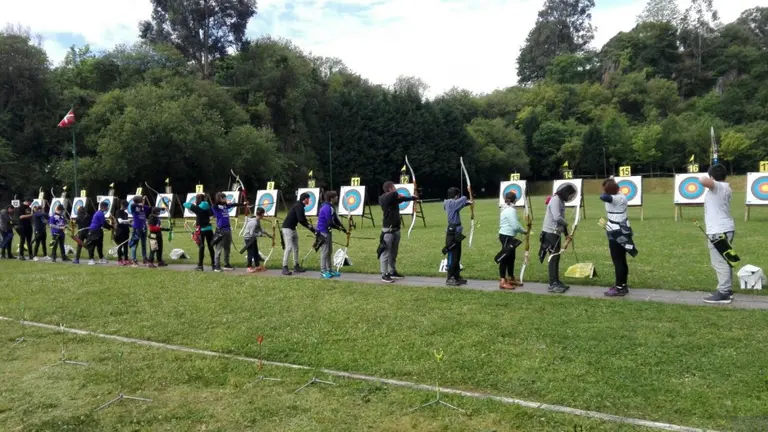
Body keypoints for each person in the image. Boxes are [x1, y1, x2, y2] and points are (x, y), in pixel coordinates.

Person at [700, 165, 736, 304]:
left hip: (718, 231)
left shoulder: (718, 187)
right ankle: (727, 290)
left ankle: (724, 292)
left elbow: (703, 181)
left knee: (720, 261)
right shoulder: (725, 187)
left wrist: (707, 177)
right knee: (725, 259)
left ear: (712, 177)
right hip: (724, 228)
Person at [600, 178, 638, 297]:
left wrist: (608, 189)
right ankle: (622, 285)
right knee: (621, 259)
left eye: (605, 189)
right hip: (619, 229)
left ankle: (619, 287)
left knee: (618, 260)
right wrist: (611, 183)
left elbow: (603, 197)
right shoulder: (620, 195)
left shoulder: (616, 198)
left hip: (617, 232)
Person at [539, 183, 576, 293]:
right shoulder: (556, 200)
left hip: (555, 234)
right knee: (553, 258)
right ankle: (552, 284)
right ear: (565, 193)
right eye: (570, 195)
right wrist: (566, 223)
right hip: (550, 233)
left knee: (556, 258)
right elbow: (557, 217)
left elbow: (561, 220)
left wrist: (566, 234)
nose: (570, 197)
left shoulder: (561, 201)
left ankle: (556, 281)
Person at [378, 181, 418, 283]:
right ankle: (384, 274)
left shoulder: (393, 199)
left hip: (396, 229)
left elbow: (402, 199)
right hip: (388, 230)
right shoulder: (384, 198)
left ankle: (392, 271)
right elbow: (394, 195)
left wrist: (412, 198)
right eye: (394, 187)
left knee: (393, 253)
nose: (396, 189)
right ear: (390, 189)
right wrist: (397, 194)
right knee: (386, 253)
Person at [443, 187, 472, 286]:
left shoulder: (452, 204)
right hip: (453, 233)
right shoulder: (450, 203)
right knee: (452, 255)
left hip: (457, 232)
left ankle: (456, 276)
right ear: (456, 196)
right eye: (458, 196)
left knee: (457, 255)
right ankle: (450, 277)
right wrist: (467, 193)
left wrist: (468, 203)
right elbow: (462, 200)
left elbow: (460, 205)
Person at [281, 193, 316, 275]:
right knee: (289, 247)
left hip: (292, 228)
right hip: (287, 228)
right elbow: (301, 220)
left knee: (296, 248)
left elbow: (303, 219)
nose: (309, 200)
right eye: (308, 199)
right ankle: (284, 267)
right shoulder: (298, 206)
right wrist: (311, 228)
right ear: (305, 199)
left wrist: (312, 228)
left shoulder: (300, 206)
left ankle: (296, 266)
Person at [497, 191, 526, 290]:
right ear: (515, 200)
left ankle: (511, 278)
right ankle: (502, 281)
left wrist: (522, 230)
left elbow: (515, 223)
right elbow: (515, 225)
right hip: (506, 236)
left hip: (508, 236)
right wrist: (524, 231)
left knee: (511, 257)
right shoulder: (510, 210)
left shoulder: (506, 208)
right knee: (505, 258)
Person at [316, 191, 346, 279]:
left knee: (329, 251)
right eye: (336, 197)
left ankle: (329, 270)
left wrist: (343, 228)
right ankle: (323, 271)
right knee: (324, 252)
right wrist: (338, 228)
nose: (337, 198)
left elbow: (335, 219)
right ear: (331, 198)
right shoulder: (326, 207)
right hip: (322, 232)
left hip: (327, 231)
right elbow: (329, 222)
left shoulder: (331, 207)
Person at [183, 194, 215, 271]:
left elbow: (185, 204)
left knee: (201, 247)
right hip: (209, 229)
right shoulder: (208, 207)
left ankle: (200, 266)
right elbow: (212, 213)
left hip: (201, 230)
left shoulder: (197, 208)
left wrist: (194, 204)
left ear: (198, 200)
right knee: (211, 247)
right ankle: (214, 265)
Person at [211, 192, 237, 272]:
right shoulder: (216, 207)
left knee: (227, 248)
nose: (226, 199)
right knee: (218, 249)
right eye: (224, 198)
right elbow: (214, 205)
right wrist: (223, 202)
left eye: (225, 198)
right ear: (220, 199)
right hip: (221, 230)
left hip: (228, 229)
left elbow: (234, 205)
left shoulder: (225, 206)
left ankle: (226, 264)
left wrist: (244, 204)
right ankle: (217, 266)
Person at [242, 207, 271, 273]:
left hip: (253, 238)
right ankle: (248, 267)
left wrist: (269, 235)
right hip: (248, 238)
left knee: (255, 252)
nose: (264, 215)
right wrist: (260, 235)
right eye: (263, 214)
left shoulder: (257, 220)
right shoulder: (254, 222)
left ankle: (257, 266)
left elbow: (260, 229)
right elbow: (251, 233)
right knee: (250, 253)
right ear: (261, 214)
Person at [85, 201, 113, 265]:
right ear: (104, 207)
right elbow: (104, 224)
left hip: (98, 231)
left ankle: (101, 258)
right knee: (92, 245)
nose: (108, 208)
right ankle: (91, 259)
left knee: (99, 245)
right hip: (94, 231)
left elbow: (103, 223)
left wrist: (111, 227)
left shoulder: (100, 213)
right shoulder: (100, 214)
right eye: (107, 207)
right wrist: (111, 227)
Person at [129, 196, 153, 267]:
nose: (143, 200)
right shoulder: (134, 207)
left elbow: (152, 209)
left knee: (143, 244)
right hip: (137, 228)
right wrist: (141, 203)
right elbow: (133, 205)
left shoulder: (143, 207)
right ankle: (134, 260)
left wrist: (163, 208)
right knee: (134, 244)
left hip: (144, 227)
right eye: (141, 199)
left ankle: (145, 258)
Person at [115, 200, 131, 265]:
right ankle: (119, 260)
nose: (126, 207)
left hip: (126, 231)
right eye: (125, 206)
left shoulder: (126, 213)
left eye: (126, 206)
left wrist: (132, 224)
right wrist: (128, 221)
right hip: (120, 231)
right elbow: (120, 221)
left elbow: (126, 223)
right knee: (120, 245)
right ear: (121, 205)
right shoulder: (118, 212)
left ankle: (126, 259)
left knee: (126, 246)